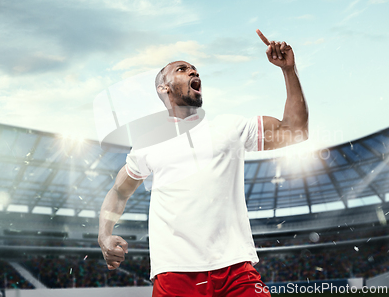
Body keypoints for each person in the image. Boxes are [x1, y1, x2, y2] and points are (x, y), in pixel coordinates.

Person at [98, 29, 309, 297]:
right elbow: (119, 192)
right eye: (183, 69)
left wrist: (289, 71)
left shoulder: (229, 126)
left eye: (195, 70)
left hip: (235, 270)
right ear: (164, 88)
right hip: (175, 273)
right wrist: (104, 234)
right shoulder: (146, 143)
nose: (194, 73)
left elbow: (296, 129)